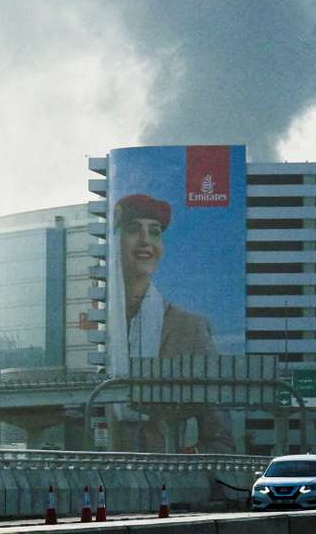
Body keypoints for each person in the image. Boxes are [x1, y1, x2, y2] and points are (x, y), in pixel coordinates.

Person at [113, 193, 234, 453]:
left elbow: (221, 441)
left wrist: (188, 456)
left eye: (154, 232)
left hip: (166, 478)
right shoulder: (103, 328)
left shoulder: (190, 328)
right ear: (114, 242)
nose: (146, 241)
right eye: (134, 230)